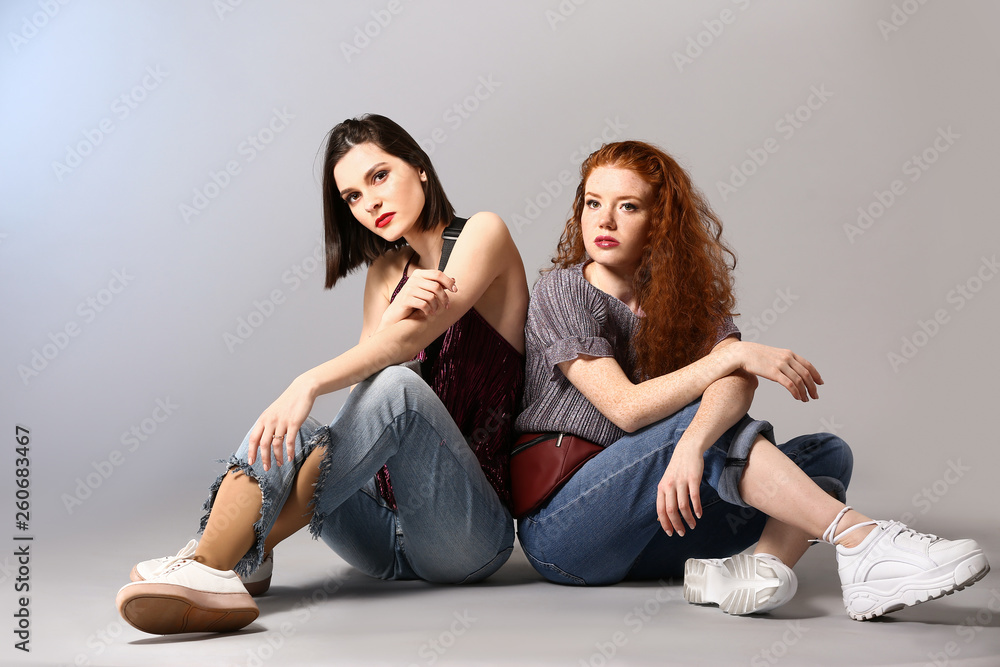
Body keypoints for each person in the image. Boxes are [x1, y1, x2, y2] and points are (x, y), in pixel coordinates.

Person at [514, 140, 990, 619]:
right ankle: (865, 543)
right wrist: (727, 366)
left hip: (660, 530)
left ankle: (757, 569)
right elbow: (627, 408)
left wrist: (696, 439)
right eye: (593, 203)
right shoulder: (563, 291)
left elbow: (736, 381)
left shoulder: (682, 300)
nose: (605, 220)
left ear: (659, 221)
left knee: (826, 454)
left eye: (628, 206)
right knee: (694, 424)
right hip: (569, 531)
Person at [116, 114, 530, 634]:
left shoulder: (482, 232)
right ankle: (223, 560)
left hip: (467, 536)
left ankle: (222, 557)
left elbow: (403, 358)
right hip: (379, 538)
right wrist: (386, 326)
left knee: (395, 387)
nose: (370, 202)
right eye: (353, 196)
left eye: (379, 176)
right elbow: (366, 408)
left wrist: (306, 382)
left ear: (420, 168)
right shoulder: (385, 272)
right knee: (300, 430)